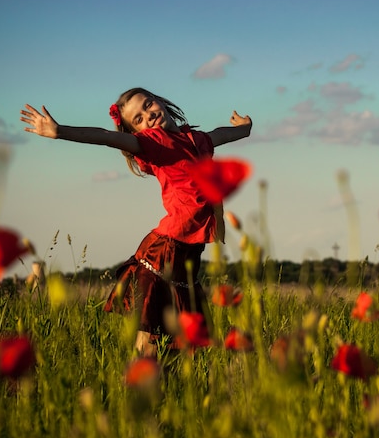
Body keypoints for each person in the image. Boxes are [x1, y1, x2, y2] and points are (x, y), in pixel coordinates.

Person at [20, 88, 252, 355]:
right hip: (162, 254)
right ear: (136, 132)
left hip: (187, 257)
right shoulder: (154, 142)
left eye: (148, 105)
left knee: (180, 348)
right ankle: (132, 391)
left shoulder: (198, 140)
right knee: (150, 345)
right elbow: (106, 137)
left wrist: (246, 127)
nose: (148, 116)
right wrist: (60, 131)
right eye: (138, 120)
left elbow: (224, 134)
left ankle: (159, 393)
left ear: (161, 102)